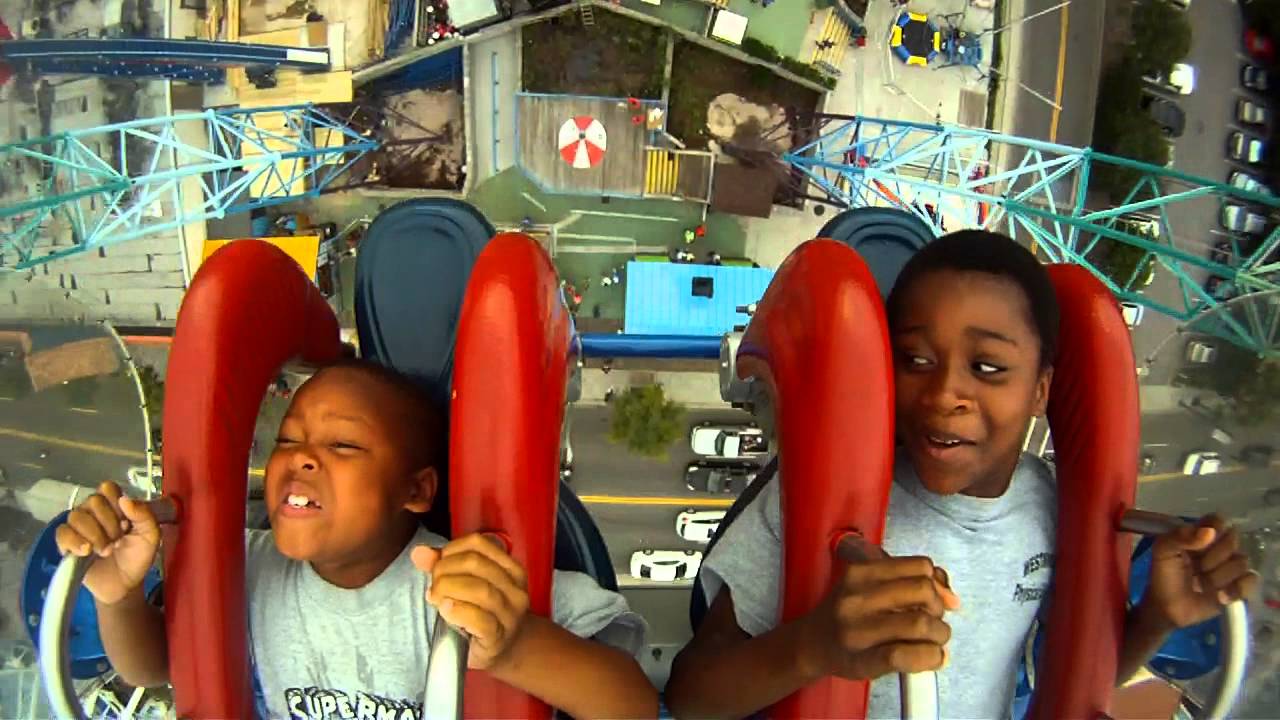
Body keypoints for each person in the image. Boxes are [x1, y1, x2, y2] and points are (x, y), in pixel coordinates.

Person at [666, 230, 1259, 718]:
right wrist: (813, 646)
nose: (945, 393)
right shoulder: (813, 495)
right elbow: (691, 696)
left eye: (988, 367)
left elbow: (1073, 676)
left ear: (1041, 390)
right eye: (916, 360)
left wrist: (1156, 619)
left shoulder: (1049, 509)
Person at [57, 360, 658, 720]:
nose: (301, 459)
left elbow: (631, 705)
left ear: (415, 490)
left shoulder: (467, 585)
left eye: (342, 445)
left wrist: (514, 644)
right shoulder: (239, 565)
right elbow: (156, 668)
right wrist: (117, 595)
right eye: (287, 441)